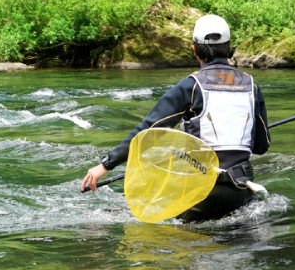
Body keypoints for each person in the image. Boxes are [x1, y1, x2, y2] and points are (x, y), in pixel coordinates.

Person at [81, 14, 271, 222]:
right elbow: (261, 146)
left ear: (194, 49)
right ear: (229, 47)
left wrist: (106, 164)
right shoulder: (252, 87)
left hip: (201, 194)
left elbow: (148, 131)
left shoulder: (190, 87)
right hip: (241, 193)